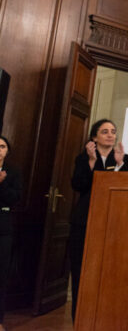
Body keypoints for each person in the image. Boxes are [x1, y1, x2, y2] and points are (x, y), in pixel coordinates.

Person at [69, 119, 128, 321]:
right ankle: (80, 320)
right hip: (84, 222)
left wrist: (120, 165)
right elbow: (79, 185)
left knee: (109, 272)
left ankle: (105, 319)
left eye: (113, 131)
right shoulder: (83, 158)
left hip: (114, 223)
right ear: (94, 137)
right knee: (81, 271)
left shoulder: (125, 158)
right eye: (104, 131)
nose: (110, 134)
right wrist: (91, 162)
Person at [0, 136, 21, 331]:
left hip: (3, 227)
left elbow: (14, 198)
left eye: (2, 146)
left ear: (7, 151)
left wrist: (1, 183)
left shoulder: (13, 172)